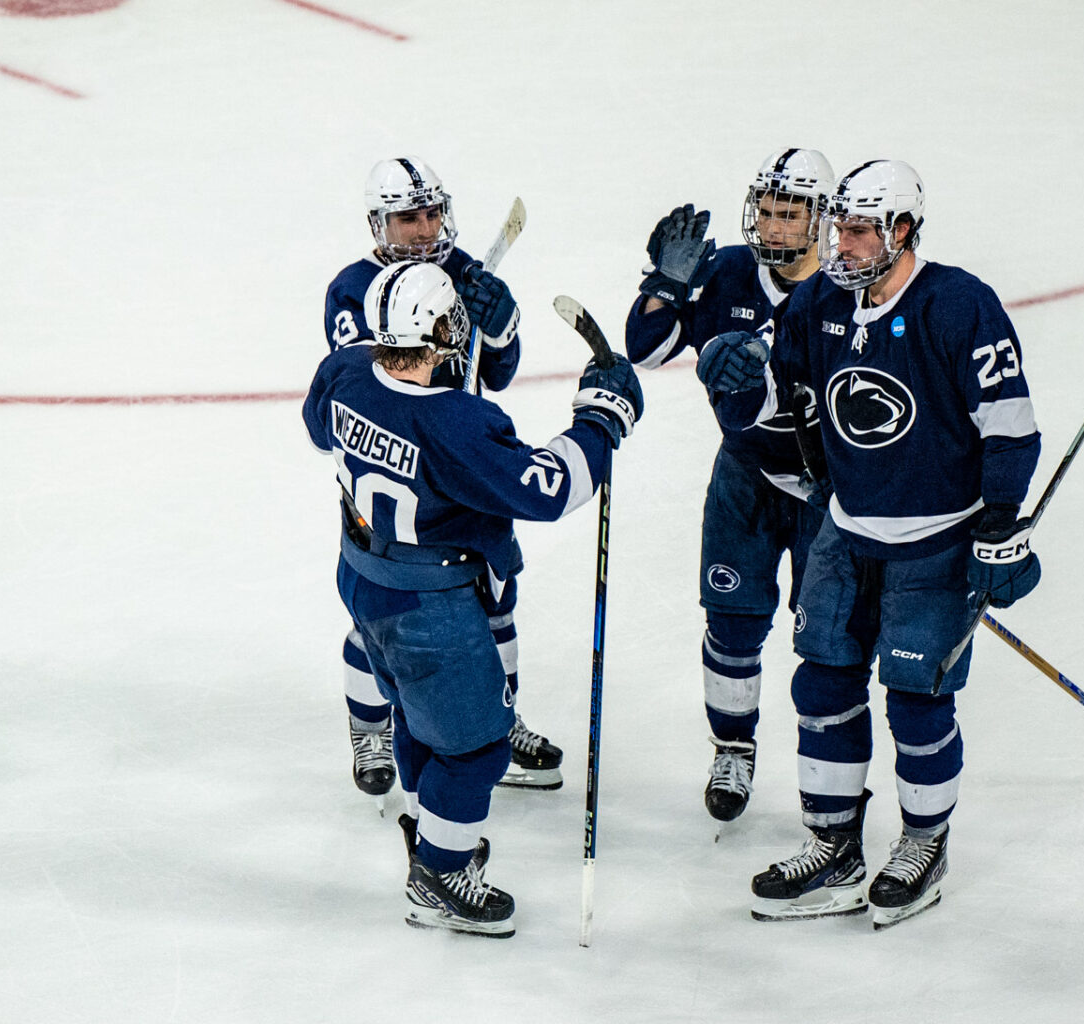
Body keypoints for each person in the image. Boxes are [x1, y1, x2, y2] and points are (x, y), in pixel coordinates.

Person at [697, 159, 1044, 929]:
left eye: (859, 231)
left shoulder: (959, 306)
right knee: (822, 689)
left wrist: (1003, 520)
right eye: (840, 229)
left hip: (934, 545)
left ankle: (924, 843)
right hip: (843, 534)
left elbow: (1009, 423)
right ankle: (835, 846)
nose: (842, 245)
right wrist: (740, 385)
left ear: (902, 230)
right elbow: (783, 397)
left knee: (918, 703)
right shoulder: (817, 303)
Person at [303, 260, 645, 936]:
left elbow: (321, 430)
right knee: (476, 748)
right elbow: (545, 489)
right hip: (435, 608)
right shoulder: (457, 421)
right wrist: (601, 420)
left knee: (414, 718)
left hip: (365, 584)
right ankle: (442, 873)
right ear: (438, 330)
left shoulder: (342, 370)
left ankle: (434, 838)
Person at [321, 156, 563, 797]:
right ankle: (370, 730)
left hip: (466, 473)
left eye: (431, 213)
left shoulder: (461, 275)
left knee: (494, 600)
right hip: (403, 478)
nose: (425, 229)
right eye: (408, 218)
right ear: (379, 225)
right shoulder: (355, 290)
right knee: (384, 618)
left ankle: (496, 724)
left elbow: (498, 371)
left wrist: (502, 324)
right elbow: (390, 389)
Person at [623, 148, 835, 822]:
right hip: (745, 475)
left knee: (825, 640)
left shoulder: (846, 290)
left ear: (822, 220)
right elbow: (647, 347)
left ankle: (825, 779)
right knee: (732, 624)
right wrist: (665, 284)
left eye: (790, 215)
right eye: (767, 213)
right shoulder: (731, 274)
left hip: (826, 493)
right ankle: (733, 750)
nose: (774, 229)